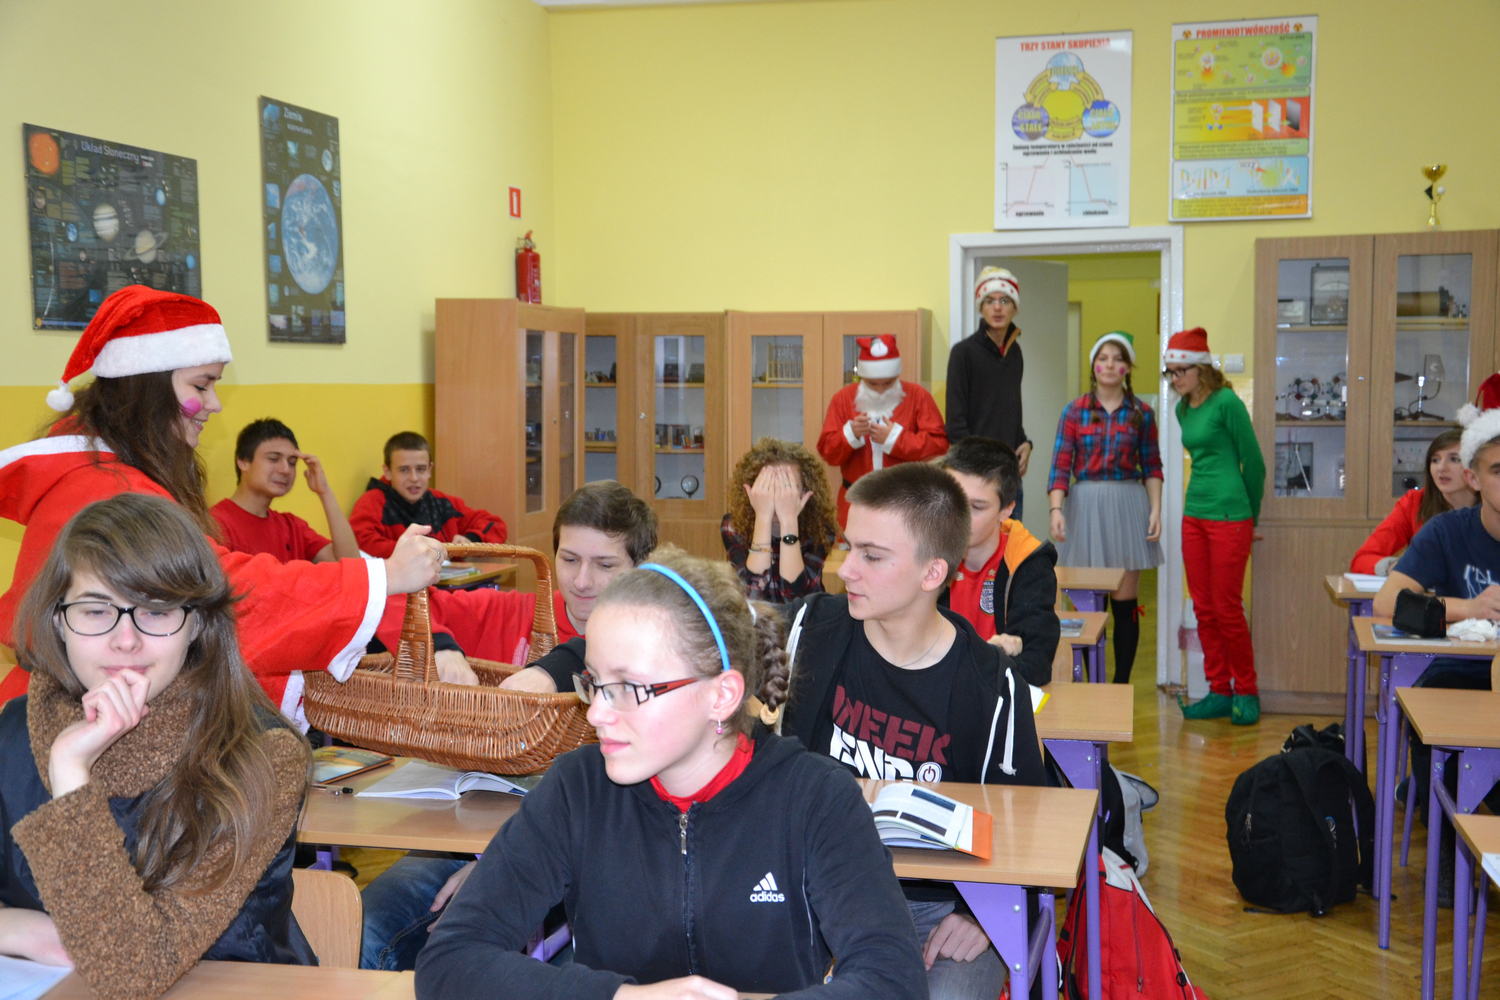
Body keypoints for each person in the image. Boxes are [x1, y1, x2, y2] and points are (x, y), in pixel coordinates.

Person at [414, 549, 926, 999]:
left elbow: (892, 979)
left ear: (721, 695)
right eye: (595, 682)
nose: (596, 712)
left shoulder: (815, 796)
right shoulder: (577, 789)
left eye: (629, 688)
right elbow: (451, 960)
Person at [0, 285, 445, 720]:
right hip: (70, 720)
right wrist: (384, 576)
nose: (213, 404)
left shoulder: (102, 473)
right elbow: (218, 593)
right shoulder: (109, 487)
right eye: (202, 385)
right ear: (148, 390)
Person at [0, 494, 314, 998]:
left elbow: (133, 971)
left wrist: (70, 770)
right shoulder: (16, 727)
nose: (126, 640)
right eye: (95, 610)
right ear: (58, 620)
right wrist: (22, 930)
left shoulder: (263, 755)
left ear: (197, 623)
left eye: (157, 611)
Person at [360, 480, 657, 971]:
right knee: (366, 930)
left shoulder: (656, 652)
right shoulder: (514, 612)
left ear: (640, 570)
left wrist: (503, 868)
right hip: (465, 841)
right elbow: (385, 597)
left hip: (580, 858)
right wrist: (441, 644)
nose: (583, 581)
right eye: (569, 559)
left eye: (605, 565)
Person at [779, 462, 1046, 1000]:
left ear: (932, 574)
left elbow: (1028, 827)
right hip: (812, 889)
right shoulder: (812, 629)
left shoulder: (992, 687)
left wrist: (977, 914)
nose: (846, 570)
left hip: (936, 909)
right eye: (848, 547)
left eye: (872, 556)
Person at [1372, 401, 1500, 903]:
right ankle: (1449, 859)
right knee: (1434, 733)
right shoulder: (1448, 532)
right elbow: (1388, 603)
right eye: (1498, 470)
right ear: (1474, 479)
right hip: (1459, 675)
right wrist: (1471, 607)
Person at [1046, 331, 1164, 684]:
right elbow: (1060, 465)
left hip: (1128, 506)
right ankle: (1089, 683)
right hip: (1085, 508)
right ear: (1094, 366)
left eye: (1118, 359)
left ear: (1128, 367)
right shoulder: (1074, 411)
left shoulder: (1142, 413)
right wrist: (1056, 509)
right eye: (1103, 358)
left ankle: (1121, 682)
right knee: (1086, 604)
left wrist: (1155, 509)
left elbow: (1152, 466)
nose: (1110, 365)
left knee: (1125, 603)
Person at [1166, 327, 1266, 725]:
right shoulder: (1183, 409)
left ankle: (1247, 690)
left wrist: (1251, 517)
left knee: (1227, 609)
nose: (1174, 379)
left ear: (1201, 369)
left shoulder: (1227, 402)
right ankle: (1219, 689)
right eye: (1170, 372)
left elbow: (1253, 463)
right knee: (1203, 607)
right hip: (1195, 513)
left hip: (1230, 516)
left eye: (1180, 371)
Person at [937, 436, 1060, 687]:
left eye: (976, 507)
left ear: (1006, 510)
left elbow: (1036, 666)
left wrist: (975, 661)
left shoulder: (1028, 563)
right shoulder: (925, 551)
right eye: (952, 501)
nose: (959, 517)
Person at [817, 334, 947, 526]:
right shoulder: (843, 399)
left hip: (906, 504)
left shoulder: (918, 396)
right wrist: (851, 434)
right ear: (862, 377)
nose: (880, 390)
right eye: (872, 384)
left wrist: (896, 439)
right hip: (856, 503)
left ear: (897, 376)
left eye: (888, 383)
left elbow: (939, 446)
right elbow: (828, 453)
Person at [211, 417, 360, 564]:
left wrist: (325, 492)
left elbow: (350, 564)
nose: (285, 470)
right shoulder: (215, 523)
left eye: (292, 462)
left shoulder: (292, 527)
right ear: (243, 462)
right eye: (273, 459)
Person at [945, 267, 1033, 516]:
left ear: (1014, 308)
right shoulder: (963, 353)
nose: (997, 308)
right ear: (980, 308)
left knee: (1012, 539)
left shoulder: (1015, 353)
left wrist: (1025, 443)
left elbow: (1010, 411)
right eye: (989, 301)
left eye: (1004, 300)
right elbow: (955, 425)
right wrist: (980, 468)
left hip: (1009, 476)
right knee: (977, 541)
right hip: (975, 477)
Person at [350, 431, 508, 557]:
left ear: (430, 470)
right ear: (388, 472)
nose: (414, 478)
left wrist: (471, 540)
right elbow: (360, 544)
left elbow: (495, 525)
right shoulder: (372, 502)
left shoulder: (441, 502)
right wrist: (423, 552)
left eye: (421, 469)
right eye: (404, 470)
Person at [721, 438, 838, 603]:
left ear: (805, 493)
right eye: (767, 487)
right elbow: (752, 596)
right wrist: (763, 517)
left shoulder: (820, 527)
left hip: (807, 615)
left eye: (787, 488)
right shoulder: (733, 525)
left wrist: (788, 521)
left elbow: (797, 599)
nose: (778, 498)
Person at [1351, 429, 1476, 575]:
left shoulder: (1493, 505)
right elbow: (1362, 559)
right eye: (1435, 460)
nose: (1441, 468)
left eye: (1454, 459)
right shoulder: (1415, 502)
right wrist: (1395, 567)